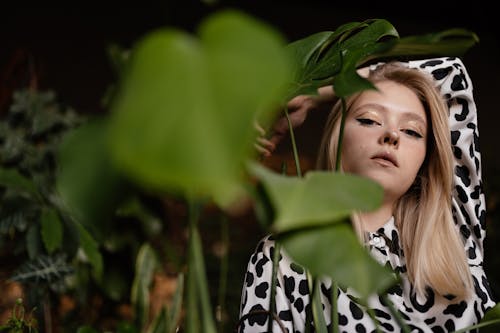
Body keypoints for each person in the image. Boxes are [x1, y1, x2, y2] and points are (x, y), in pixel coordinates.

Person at [238, 57, 496, 332]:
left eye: (411, 131)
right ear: (338, 138)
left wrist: (315, 94)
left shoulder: (454, 239)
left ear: (426, 157)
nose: (391, 135)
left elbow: (451, 74)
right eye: (369, 120)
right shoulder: (285, 257)